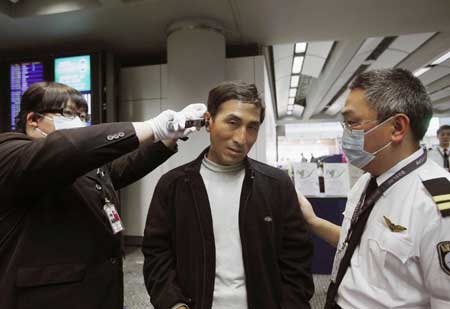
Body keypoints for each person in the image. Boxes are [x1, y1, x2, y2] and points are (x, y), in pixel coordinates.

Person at [0, 81, 206, 309]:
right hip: (46, 298)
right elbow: (66, 148)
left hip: (96, 291)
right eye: (69, 113)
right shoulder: (10, 152)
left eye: (82, 115)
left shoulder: (80, 163)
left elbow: (122, 168)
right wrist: (154, 126)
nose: (79, 121)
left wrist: (169, 137)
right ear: (33, 120)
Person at [142, 81, 314, 309]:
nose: (242, 138)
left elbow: (297, 263)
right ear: (209, 121)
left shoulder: (276, 185)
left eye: (252, 127)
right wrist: (174, 304)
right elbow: (157, 256)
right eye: (232, 122)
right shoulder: (173, 186)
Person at [298, 68, 450, 308]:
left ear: (397, 127)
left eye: (352, 123)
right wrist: (313, 221)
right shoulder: (367, 180)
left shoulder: (436, 203)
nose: (346, 134)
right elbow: (361, 244)